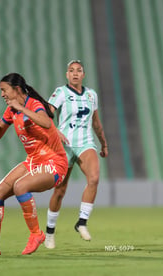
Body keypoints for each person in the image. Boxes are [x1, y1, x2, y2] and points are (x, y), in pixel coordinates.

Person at [0, 73, 68, 256]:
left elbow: (47, 122)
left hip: (54, 162)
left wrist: (21, 108)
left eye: (4, 90)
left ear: (16, 90)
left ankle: (36, 234)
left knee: (21, 186)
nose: (2, 94)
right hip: (33, 161)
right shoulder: (11, 109)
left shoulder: (34, 104)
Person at [44, 60, 108, 248]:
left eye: (79, 71)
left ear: (83, 74)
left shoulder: (91, 95)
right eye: (71, 70)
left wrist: (103, 144)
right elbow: (47, 114)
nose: (75, 73)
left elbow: (96, 122)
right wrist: (55, 131)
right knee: (60, 190)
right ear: (67, 75)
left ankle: (81, 222)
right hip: (64, 145)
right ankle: (49, 231)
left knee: (94, 178)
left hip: (85, 142)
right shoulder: (61, 93)